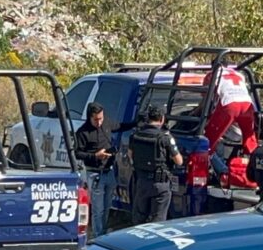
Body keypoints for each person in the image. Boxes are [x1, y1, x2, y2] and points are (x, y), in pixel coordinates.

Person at [75, 102, 136, 237]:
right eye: (96, 119)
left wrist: (136, 122)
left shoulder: (106, 123)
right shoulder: (82, 132)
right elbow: (77, 153)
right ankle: (98, 235)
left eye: (101, 118)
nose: (99, 122)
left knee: (107, 206)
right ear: (90, 117)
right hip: (94, 173)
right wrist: (95, 155)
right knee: (98, 209)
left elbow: (120, 126)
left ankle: (103, 232)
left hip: (109, 171)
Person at [128, 106, 183, 224]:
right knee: (158, 221)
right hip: (160, 184)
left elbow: (130, 156)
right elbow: (179, 161)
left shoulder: (136, 135)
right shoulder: (165, 138)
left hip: (141, 181)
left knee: (139, 219)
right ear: (162, 119)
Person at [201, 61, 258, 155]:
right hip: (247, 104)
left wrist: (195, 112)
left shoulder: (212, 74)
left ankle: (207, 159)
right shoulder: (239, 74)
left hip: (230, 104)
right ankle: (252, 159)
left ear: (213, 67)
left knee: (211, 134)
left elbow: (205, 99)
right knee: (249, 136)